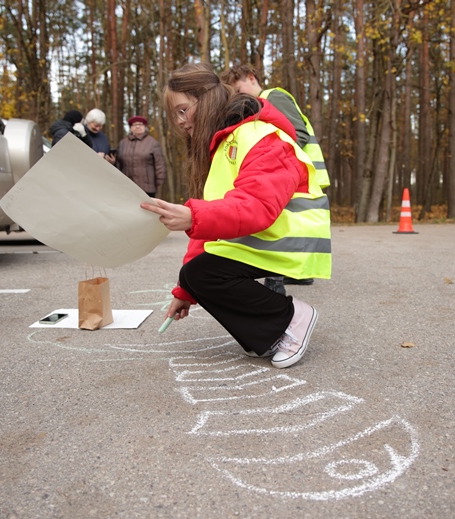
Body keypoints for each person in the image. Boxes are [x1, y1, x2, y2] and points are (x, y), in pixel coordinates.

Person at [139, 62, 332, 369]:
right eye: (175, 115)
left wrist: (192, 216)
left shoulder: (259, 135)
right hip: (266, 234)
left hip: (289, 235)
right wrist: (185, 290)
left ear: (206, 100)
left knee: (205, 273)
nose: (181, 122)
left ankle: (293, 316)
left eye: (183, 110)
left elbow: (258, 207)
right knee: (196, 273)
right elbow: (208, 232)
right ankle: (269, 334)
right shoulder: (223, 145)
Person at [221, 64, 329, 291]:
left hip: (292, 172)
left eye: (238, 90)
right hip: (294, 172)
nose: (238, 96)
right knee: (293, 225)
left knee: (277, 225)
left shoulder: (273, 97)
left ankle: (275, 282)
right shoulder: (259, 106)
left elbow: (297, 133)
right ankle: (298, 274)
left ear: (251, 77)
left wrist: (274, 157)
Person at [111, 115, 166, 197]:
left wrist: (159, 182)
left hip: (147, 189)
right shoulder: (123, 143)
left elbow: (159, 164)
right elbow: (119, 164)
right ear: (131, 128)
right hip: (127, 188)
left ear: (144, 127)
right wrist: (113, 163)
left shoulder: (152, 143)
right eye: (134, 124)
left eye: (140, 124)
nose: (137, 126)